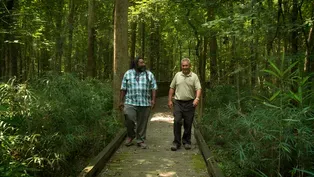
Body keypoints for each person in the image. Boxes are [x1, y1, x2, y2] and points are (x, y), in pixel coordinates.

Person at [119, 56, 157, 149]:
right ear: (136, 64)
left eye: (144, 62)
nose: (143, 64)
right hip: (130, 101)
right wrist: (120, 101)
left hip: (144, 102)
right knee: (129, 117)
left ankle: (140, 140)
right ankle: (131, 135)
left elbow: (154, 88)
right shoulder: (128, 73)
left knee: (142, 122)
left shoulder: (149, 74)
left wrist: (153, 100)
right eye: (141, 63)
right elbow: (123, 88)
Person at [168, 58, 202, 151]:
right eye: (183, 65)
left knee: (188, 123)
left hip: (190, 103)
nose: (184, 67)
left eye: (186, 65)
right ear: (181, 66)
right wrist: (170, 100)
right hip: (178, 102)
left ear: (189, 66)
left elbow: (198, 88)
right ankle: (176, 142)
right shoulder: (177, 75)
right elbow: (172, 87)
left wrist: (197, 98)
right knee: (177, 121)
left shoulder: (194, 76)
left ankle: (186, 141)